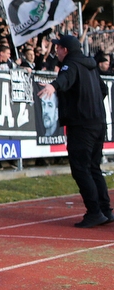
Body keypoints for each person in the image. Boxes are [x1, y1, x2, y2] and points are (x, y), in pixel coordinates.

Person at [38, 35, 112, 228]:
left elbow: (65, 78)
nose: (56, 51)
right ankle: (105, 210)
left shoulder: (70, 65)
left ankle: (95, 212)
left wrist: (53, 86)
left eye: (58, 48)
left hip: (81, 124)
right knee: (94, 167)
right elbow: (103, 90)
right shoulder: (91, 65)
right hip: (98, 122)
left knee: (80, 168)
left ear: (66, 50)